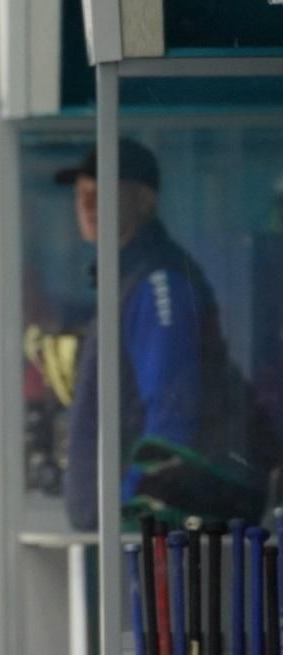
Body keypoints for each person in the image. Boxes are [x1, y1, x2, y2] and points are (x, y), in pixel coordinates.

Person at [57, 138, 271, 529]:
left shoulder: (158, 279)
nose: (87, 204)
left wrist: (133, 509)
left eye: (101, 191)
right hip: (118, 530)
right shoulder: (123, 276)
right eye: (81, 193)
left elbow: (171, 414)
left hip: (145, 532)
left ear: (144, 200)